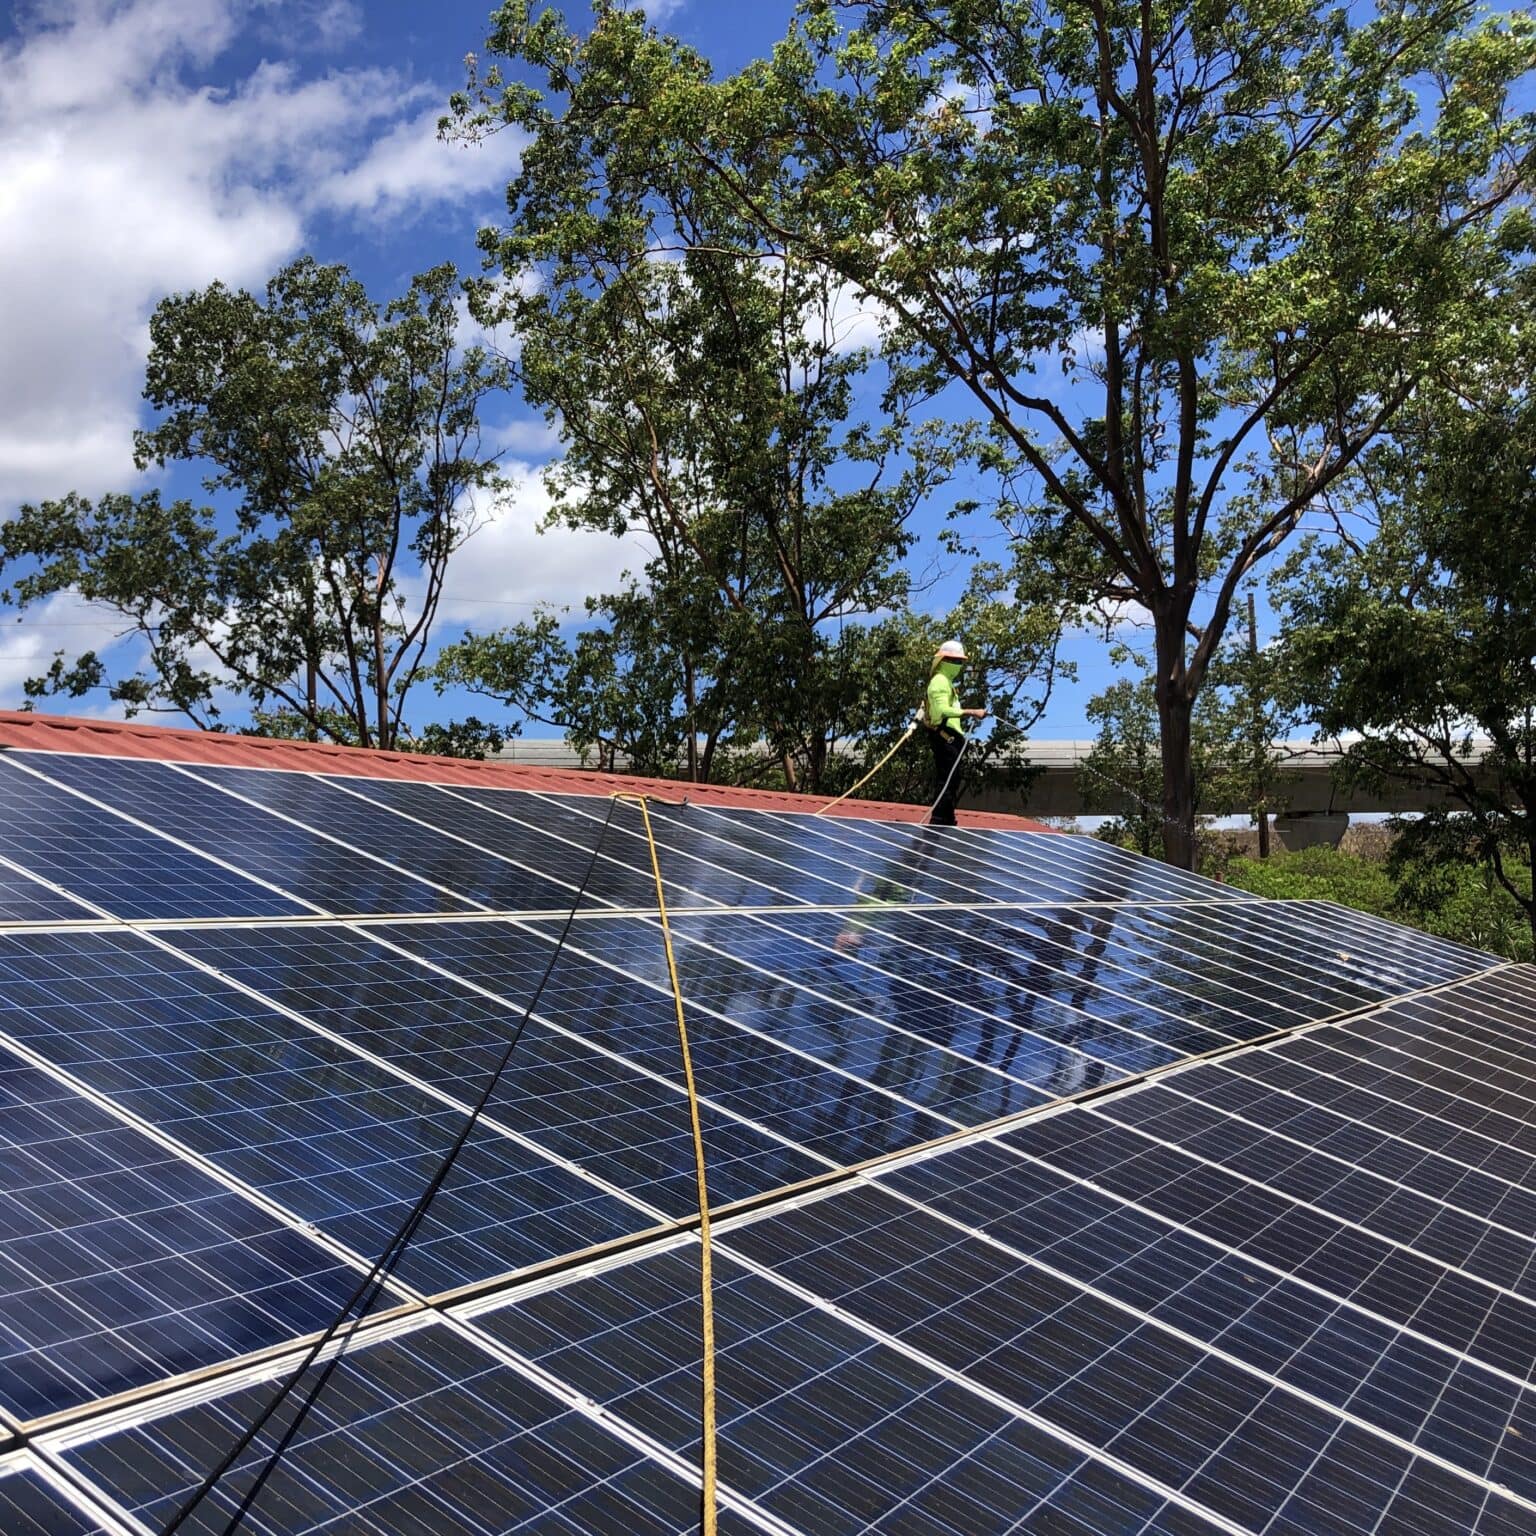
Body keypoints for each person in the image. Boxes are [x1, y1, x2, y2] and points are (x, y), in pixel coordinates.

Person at [924, 638, 986, 826]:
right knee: (947, 778)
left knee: (953, 778)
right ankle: (940, 819)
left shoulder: (947, 683)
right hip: (945, 736)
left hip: (951, 737)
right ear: (943, 661)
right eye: (955, 661)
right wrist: (971, 712)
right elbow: (942, 710)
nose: (958, 665)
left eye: (960, 662)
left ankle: (947, 817)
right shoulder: (939, 681)